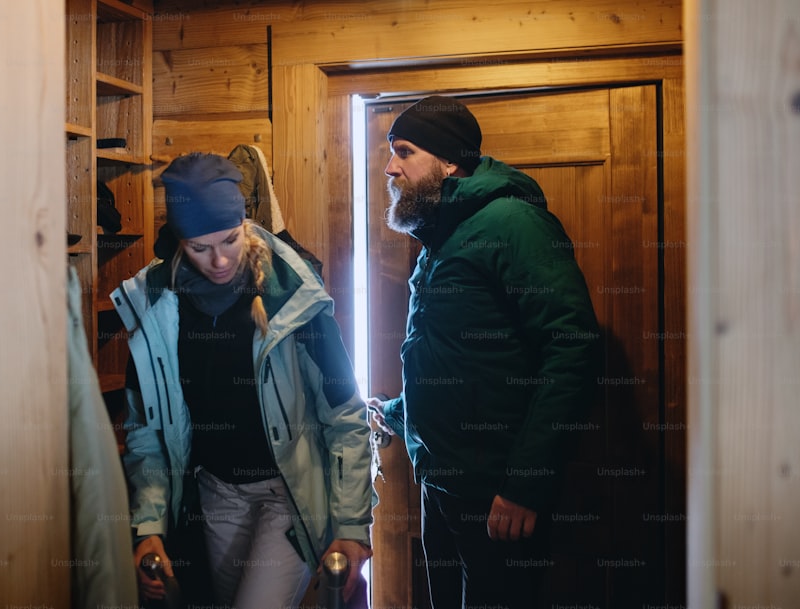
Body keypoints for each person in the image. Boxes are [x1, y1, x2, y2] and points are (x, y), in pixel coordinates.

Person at [367, 95, 601, 609]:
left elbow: (572, 348)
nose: (390, 167)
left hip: (497, 491)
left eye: (404, 151)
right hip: (443, 484)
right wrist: (396, 413)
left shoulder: (514, 225)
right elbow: (458, 358)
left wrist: (525, 485)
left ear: (449, 161)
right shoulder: (444, 235)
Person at [111, 153, 373, 608]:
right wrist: (149, 525)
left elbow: (345, 415)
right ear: (178, 241)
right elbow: (146, 433)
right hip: (216, 492)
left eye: (230, 240)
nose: (218, 260)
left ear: (245, 224)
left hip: (287, 494)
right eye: (199, 247)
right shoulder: (153, 307)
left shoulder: (293, 294)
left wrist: (351, 525)